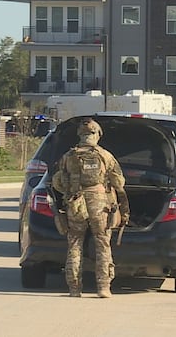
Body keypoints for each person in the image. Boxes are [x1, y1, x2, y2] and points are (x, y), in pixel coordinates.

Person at [52, 118, 128, 298]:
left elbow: (57, 182)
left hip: (75, 203)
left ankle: (74, 288)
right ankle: (103, 287)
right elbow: (119, 182)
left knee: (75, 243)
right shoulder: (105, 156)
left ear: (80, 135)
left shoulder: (68, 156)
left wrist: (72, 189)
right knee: (102, 243)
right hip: (100, 203)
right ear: (97, 135)